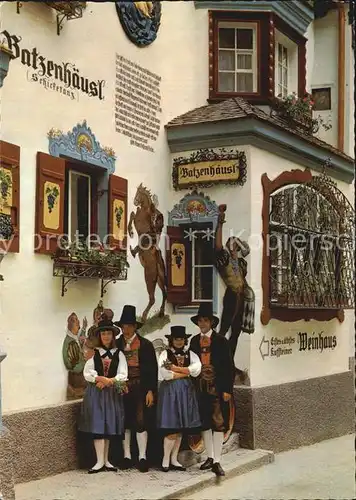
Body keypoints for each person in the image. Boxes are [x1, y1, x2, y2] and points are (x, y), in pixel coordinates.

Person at [189, 303, 234, 477]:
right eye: (200, 321)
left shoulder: (221, 341)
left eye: (205, 320)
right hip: (200, 386)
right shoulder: (194, 341)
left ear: (211, 323)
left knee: (218, 422)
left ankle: (217, 461)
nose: (202, 324)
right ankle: (209, 457)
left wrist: (227, 389)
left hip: (217, 386)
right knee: (205, 422)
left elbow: (228, 366)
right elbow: (192, 365)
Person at [78, 319, 128, 474]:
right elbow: (87, 373)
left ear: (113, 336)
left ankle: (106, 460)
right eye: (103, 333)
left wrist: (109, 381)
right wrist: (99, 379)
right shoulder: (94, 353)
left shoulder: (119, 354)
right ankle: (99, 461)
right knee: (98, 424)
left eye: (108, 333)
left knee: (108, 425)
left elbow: (123, 374)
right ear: (99, 336)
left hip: (111, 393)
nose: (106, 336)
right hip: (96, 394)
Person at [115, 305, 158, 473]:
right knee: (124, 421)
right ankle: (126, 456)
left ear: (134, 327)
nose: (126, 329)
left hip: (141, 386)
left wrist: (150, 391)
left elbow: (152, 369)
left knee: (141, 421)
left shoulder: (145, 345)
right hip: (122, 386)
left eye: (129, 325)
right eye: (123, 326)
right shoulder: (117, 344)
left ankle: (142, 457)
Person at [215, 205, 255, 378]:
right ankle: (218, 360)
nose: (233, 248)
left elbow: (242, 279)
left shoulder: (241, 263)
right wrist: (220, 223)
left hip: (241, 297)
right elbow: (217, 246)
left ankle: (230, 362)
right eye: (231, 245)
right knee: (224, 328)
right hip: (231, 295)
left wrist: (248, 292)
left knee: (236, 331)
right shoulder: (224, 259)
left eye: (235, 246)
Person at [157, 326, 202, 472]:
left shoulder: (191, 354)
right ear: (171, 340)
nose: (179, 341)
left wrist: (176, 369)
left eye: (181, 339)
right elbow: (165, 373)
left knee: (181, 426)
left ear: (185, 340)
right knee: (172, 426)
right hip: (170, 391)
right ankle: (165, 460)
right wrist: (186, 372)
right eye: (176, 339)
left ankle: (174, 460)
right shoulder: (165, 353)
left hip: (186, 391)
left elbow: (197, 370)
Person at [62, 312, 87, 400]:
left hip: (79, 381)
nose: (79, 328)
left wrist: (84, 329)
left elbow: (79, 343)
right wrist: (85, 362)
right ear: (72, 326)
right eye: (78, 326)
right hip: (77, 381)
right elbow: (72, 365)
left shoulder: (73, 339)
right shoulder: (70, 342)